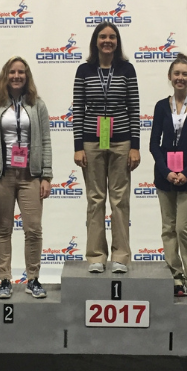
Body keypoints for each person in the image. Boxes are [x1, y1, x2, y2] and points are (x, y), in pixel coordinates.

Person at [0, 56, 52, 299]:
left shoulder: (37, 105)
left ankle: (33, 278)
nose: (17, 76)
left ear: (27, 76)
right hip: (2, 174)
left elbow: (45, 141)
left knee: (33, 229)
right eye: (12, 72)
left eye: (21, 72)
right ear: (5, 75)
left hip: (30, 174)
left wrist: (46, 175)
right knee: (3, 228)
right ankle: (5, 279)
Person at [73, 22, 140, 274]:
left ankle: (121, 256)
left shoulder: (127, 69)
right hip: (92, 141)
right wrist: (78, 146)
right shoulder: (84, 70)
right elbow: (78, 110)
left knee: (120, 199)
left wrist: (135, 146)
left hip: (122, 141)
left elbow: (134, 109)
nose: (107, 41)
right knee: (95, 198)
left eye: (112, 36)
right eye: (103, 36)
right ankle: (96, 257)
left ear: (117, 41)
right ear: (96, 40)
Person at [149, 54, 187, 297]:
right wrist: (167, 171)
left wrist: (185, 172)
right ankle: (175, 276)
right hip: (165, 176)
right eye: (177, 74)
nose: (180, 78)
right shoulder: (161, 106)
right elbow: (154, 144)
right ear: (170, 77)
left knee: (183, 227)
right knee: (168, 228)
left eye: (185, 74)